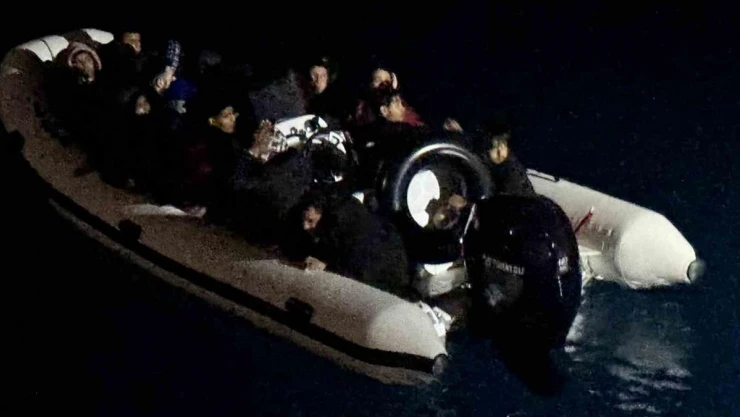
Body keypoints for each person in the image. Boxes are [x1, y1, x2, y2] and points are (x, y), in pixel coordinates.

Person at [282, 191, 412, 298]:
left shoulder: (342, 228)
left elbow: (355, 268)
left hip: (379, 282)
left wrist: (327, 267)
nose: (305, 227)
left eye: (311, 221)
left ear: (322, 213)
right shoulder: (346, 212)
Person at [476, 120, 536, 196]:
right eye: (494, 147)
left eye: (503, 145)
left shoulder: (513, 172)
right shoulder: (478, 165)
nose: (500, 152)